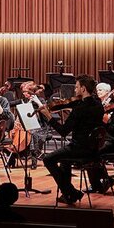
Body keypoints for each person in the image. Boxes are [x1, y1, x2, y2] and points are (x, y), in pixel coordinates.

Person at [39, 74, 108, 205]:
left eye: (76, 87)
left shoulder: (79, 109)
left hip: (79, 149)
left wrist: (49, 116)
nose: (75, 90)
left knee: (47, 159)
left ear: (83, 88)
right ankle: (68, 195)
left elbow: (63, 131)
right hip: (94, 149)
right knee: (64, 162)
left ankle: (72, 192)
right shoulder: (98, 104)